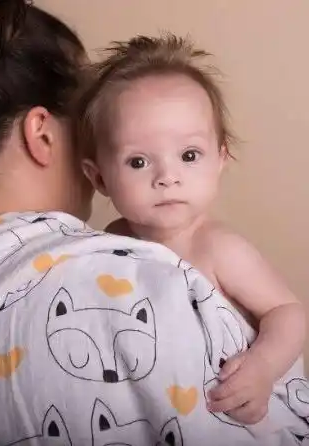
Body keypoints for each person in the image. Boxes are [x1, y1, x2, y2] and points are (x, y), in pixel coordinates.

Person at [0, 0, 309, 443]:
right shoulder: (110, 283)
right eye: (87, 125)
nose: (165, 175)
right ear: (42, 134)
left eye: (189, 154)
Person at [78, 34, 307, 425]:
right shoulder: (110, 243)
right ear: (99, 178)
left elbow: (287, 312)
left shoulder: (218, 247)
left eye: (189, 155)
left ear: (220, 159)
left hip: (231, 401)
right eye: (138, 162)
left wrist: (262, 367)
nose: (168, 177)